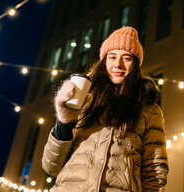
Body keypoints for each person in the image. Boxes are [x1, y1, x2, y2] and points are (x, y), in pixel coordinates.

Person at [42, 26, 169, 191]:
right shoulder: (85, 99)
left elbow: (155, 173)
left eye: (127, 58)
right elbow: (51, 167)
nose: (118, 64)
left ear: (136, 64)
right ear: (104, 61)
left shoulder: (148, 109)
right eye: (112, 57)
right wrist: (64, 122)